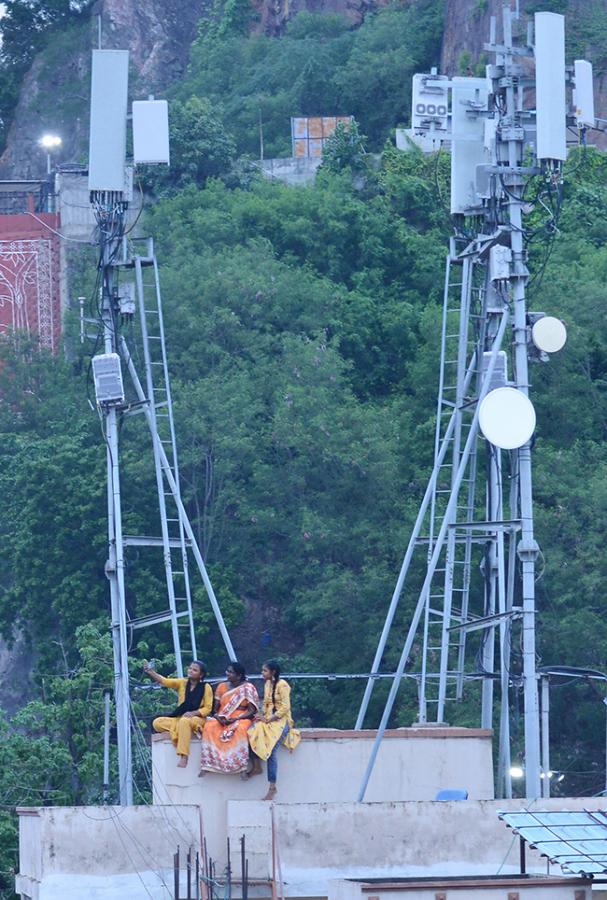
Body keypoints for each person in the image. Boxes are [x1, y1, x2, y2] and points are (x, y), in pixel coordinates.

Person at [247, 660, 300, 800]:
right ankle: (256, 766)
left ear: (273, 672)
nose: (262, 673)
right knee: (251, 732)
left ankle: (272, 787)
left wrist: (270, 719)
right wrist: (261, 716)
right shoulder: (267, 684)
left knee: (271, 750)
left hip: (281, 721)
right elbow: (266, 703)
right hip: (269, 720)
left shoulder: (283, 685)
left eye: (265, 671)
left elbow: (285, 707)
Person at [144, 660, 213, 768]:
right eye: (190, 668)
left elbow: (208, 708)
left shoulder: (206, 687)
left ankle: (184, 756)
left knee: (184, 721)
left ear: (201, 674)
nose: (190, 671)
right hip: (180, 717)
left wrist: (193, 713)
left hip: (196, 719)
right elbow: (165, 681)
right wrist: (151, 672)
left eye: (194, 670)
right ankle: (177, 730)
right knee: (157, 723)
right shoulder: (183, 683)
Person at [199, 662, 259, 775]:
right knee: (209, 726)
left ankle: (240, 766)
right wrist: (218, 717)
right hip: (223, 716)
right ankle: (209, 764)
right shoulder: (222, 686)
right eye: (227, 671)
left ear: (239, 675)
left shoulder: (248, 687)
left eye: (231, 672)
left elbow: (252, 710)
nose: (227, 673)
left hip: (242, 717)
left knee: (240, 729)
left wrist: (237, 718)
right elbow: (215, 708)